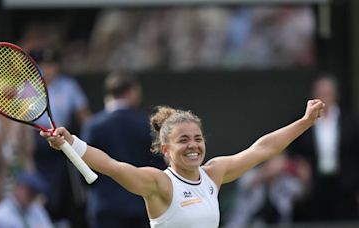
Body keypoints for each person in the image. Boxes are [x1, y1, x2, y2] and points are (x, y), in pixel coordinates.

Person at [41, 99, 324, 228]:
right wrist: (71, 143)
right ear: (165, 149)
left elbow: (263, 148)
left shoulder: (214, 173)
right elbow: (112, 165)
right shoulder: (159, 184)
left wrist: (304, 122)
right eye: (184, 140)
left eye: (197, 138)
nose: (193, 145)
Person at [81, 71, 166, 228]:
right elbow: (159, 165)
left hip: (105, 207)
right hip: (142, 206)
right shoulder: (146, 125)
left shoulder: (93, 125)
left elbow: (82, 166)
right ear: (132, 92)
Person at [29, 47, 92, 227]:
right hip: (37, 145)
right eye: (44, 65)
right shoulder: (27, 88)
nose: (48, 69)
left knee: (66, 190)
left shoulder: (68, 86)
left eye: (52, 64)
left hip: (61, 141)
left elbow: (84, 115)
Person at [289, 75, 359, 222]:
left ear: (336, 95)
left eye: (328, 94)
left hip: (345, 184)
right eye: (320, 94)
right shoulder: (303, 122)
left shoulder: (350, 121)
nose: (324, 99)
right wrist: (300, 166)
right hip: (313, 185)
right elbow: (293, 152)